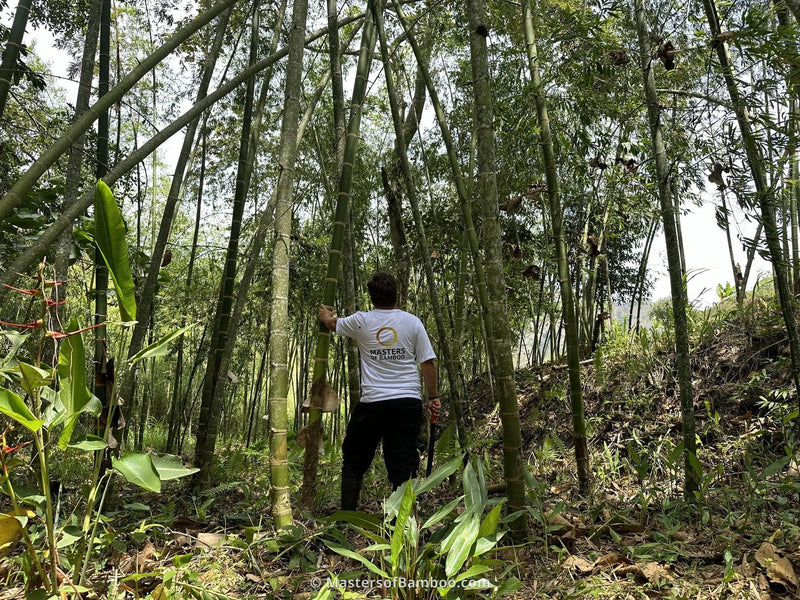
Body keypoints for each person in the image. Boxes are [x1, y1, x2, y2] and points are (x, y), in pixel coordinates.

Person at [318, 272, 441, 511]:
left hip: (373, 402)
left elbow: (333, 324)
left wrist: (325, 316)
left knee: (354, 459)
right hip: (407, 402)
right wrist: (433, 397)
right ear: (397, 294)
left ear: (371, 297)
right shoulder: (412, 322)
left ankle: (347, 519)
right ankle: (401, 524)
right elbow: (427, 362)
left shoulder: (361, 320)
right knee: (403, 462)